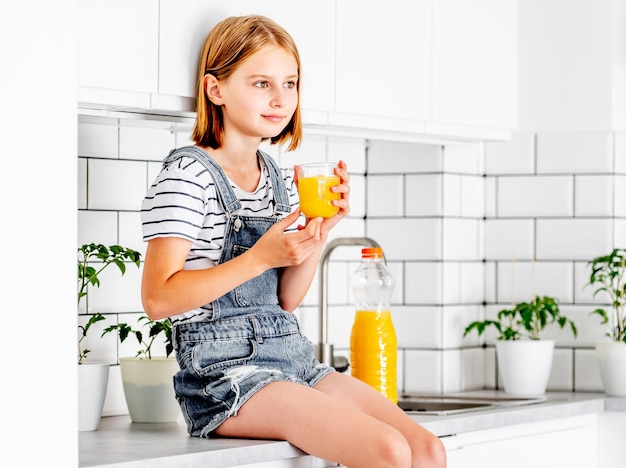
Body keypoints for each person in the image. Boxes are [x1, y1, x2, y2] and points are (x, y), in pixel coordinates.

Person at [140, 14, 446, 468]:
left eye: (290, 83)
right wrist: (260, 256)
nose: (281, 99)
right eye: (261, 83)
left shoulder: (281, 180)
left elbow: (285, 300)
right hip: (220, 373)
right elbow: (158, 298)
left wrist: (320, 231)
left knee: (426, 449)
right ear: (215, 89)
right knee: (388, 451)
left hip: (290, 355)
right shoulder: (187, 175)